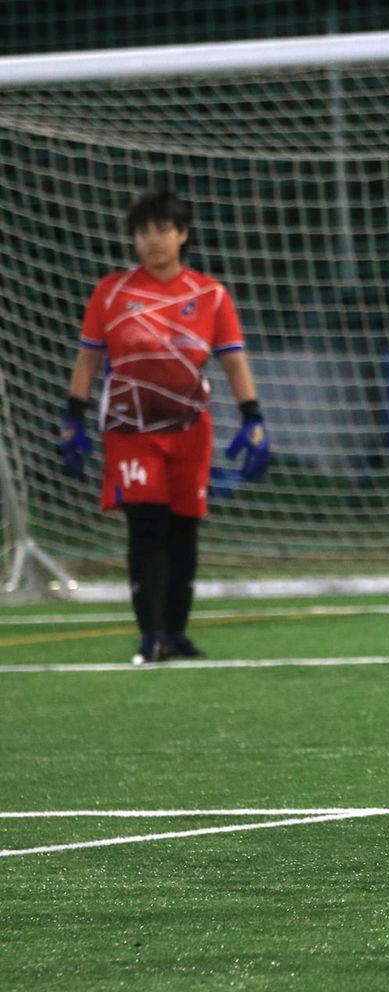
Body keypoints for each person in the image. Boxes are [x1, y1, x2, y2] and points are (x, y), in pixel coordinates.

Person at [59, 188, 271, 665]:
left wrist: (253, 417)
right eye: (142, 232)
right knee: (147, 525)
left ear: (183, 235)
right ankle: (150, 634)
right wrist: (72, 416)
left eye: (162, 230)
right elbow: (88, 359)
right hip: (130, 428)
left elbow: (234, 361)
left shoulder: (210, 295)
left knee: (184, 529)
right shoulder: (111, 293)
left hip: (190, 429)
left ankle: (176, 632)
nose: (152, 241)